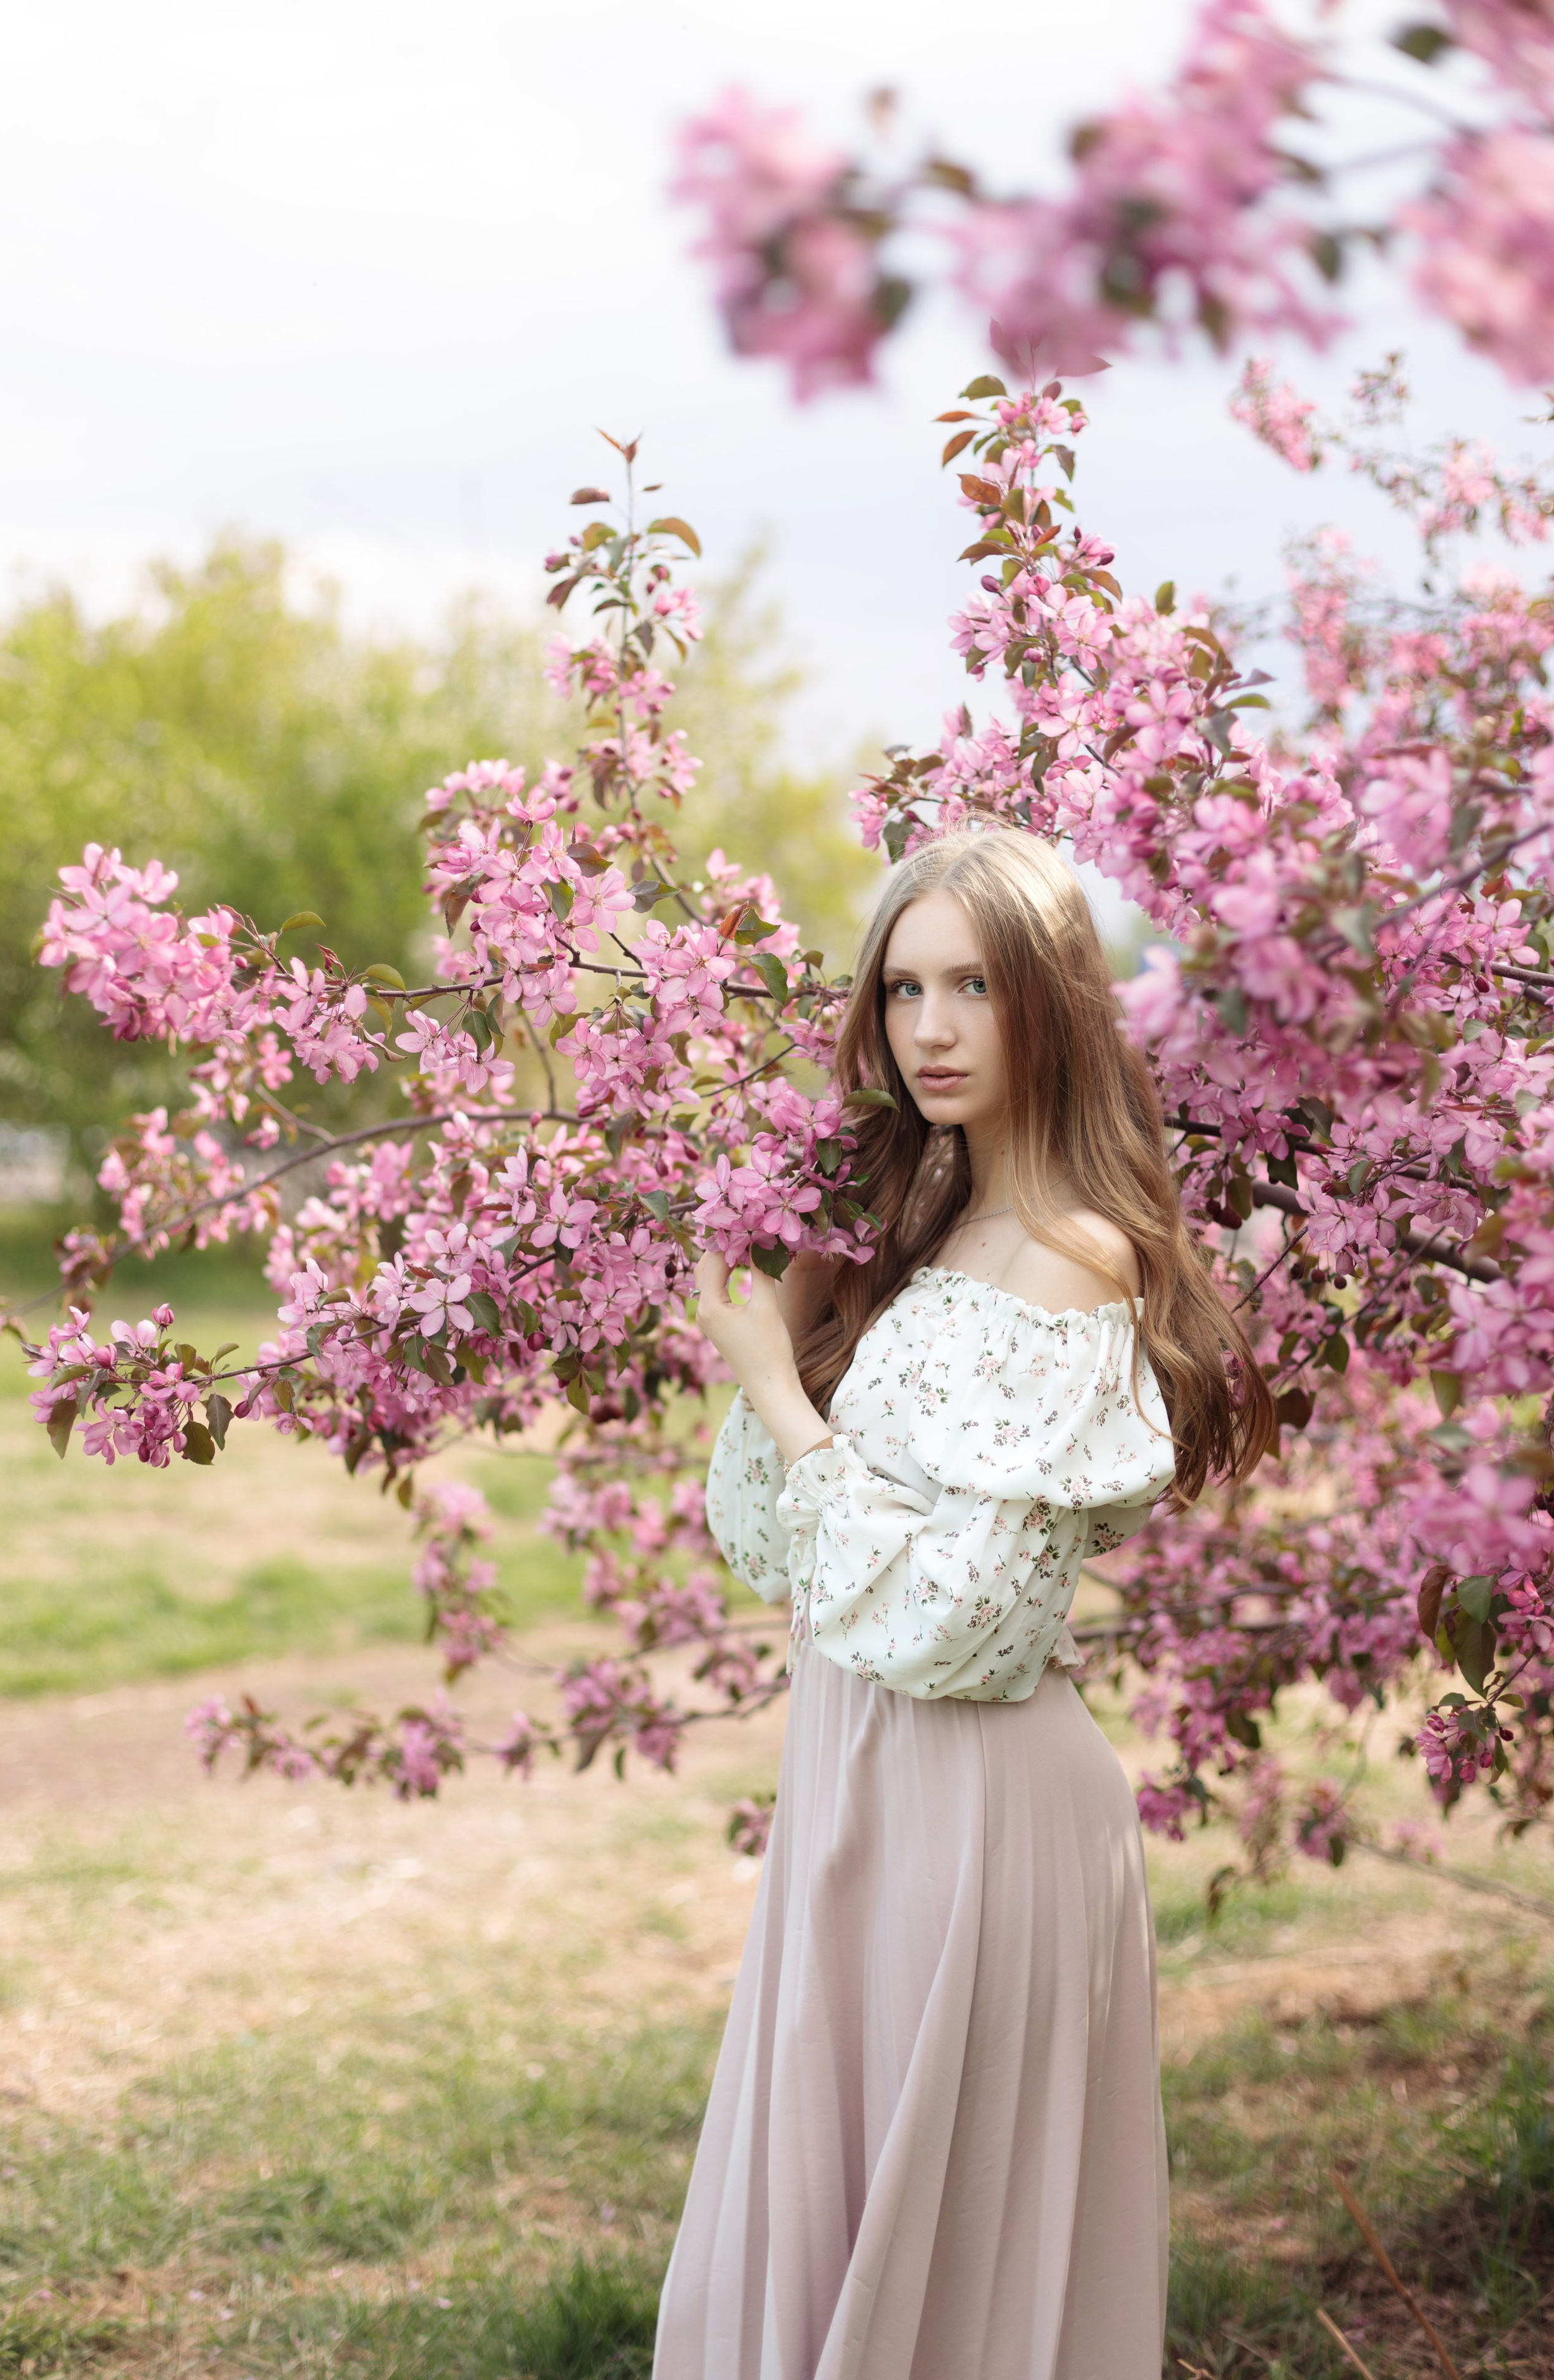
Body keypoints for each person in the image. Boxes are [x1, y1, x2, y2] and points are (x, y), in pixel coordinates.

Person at [651, 829, 1273, 2380]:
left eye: (974, 986)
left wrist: (773, 1395)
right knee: (830, 2206)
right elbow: (780, 1551)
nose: (928, 1029)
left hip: (973, 1800)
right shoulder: (931, 1233)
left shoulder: (1068, 1258)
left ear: (1049, 1003)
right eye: (905, 986)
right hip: (855, 1778)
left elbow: (955, 1625)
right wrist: (794, 1323)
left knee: (946, 2267)